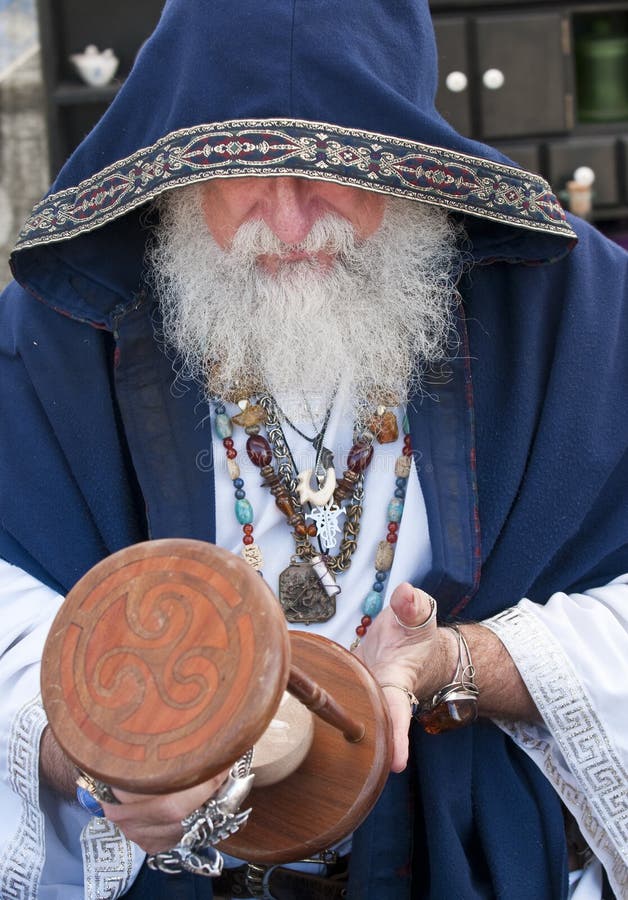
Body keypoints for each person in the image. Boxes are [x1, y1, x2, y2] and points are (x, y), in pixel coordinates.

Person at [0, 0, 626, 897]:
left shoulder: (577, 319)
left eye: (337, 167)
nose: (290, 226)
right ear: (176, 165)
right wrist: (96, 748)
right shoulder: (57, 340)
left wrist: (466, 664)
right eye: (242, 170)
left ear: (408, 160)